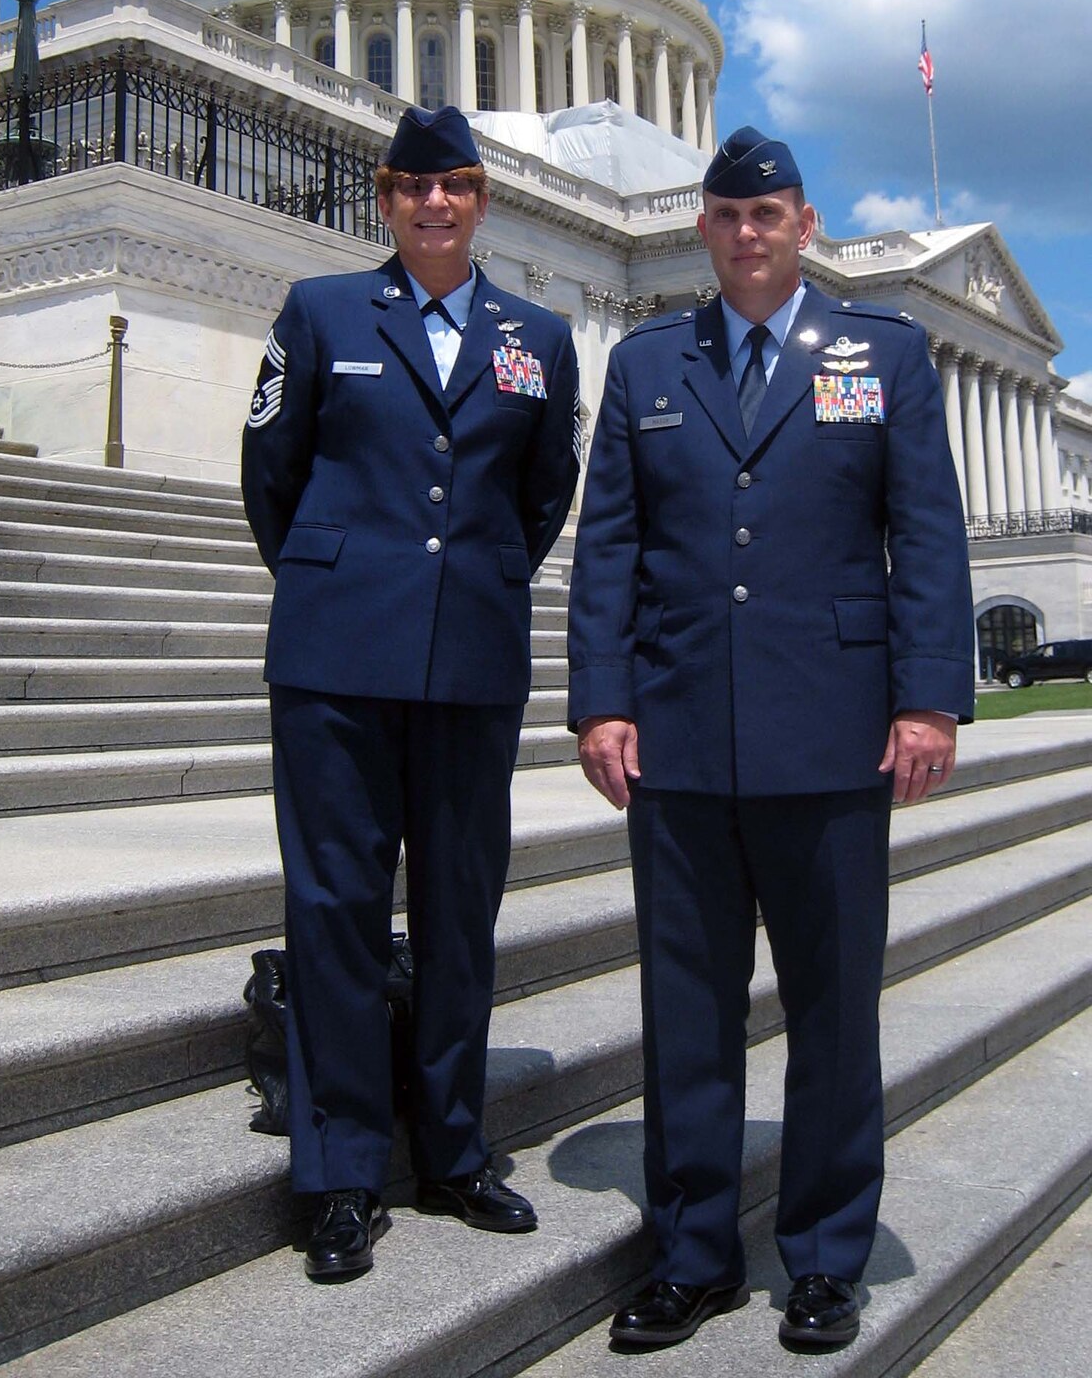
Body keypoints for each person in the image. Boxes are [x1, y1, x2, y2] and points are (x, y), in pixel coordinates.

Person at [567, 126, 973, 1352]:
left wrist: (928, 697)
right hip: (680, 738)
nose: (748, 232)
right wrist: (600, 699)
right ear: (704, 227)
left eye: (771, 213)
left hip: (831, 733)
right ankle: (690, 1251)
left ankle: (824, 1255)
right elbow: (609, 553)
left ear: (804, 226)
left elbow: (926, 535)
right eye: (728, 214)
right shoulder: (648, 366)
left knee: (835, 1010)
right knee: (685, 1010)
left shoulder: (884, 356)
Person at [242, 103, 580, 1282]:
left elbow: (542, 497)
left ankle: (449, 1145)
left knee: (456, 909)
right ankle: (337, 1174)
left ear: (483, 200)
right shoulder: (323, 310)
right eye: (409, 186)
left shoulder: (538, 333)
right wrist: (353, 583)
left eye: (455, 186)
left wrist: (464, 588)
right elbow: (269, 478)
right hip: (336, 657)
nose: (433, 204)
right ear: (382, 200)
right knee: (334, 906)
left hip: (469, 663)